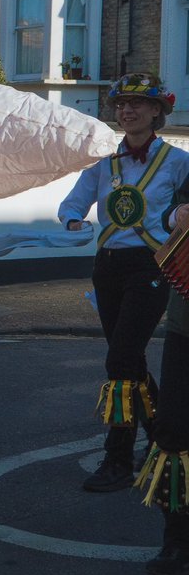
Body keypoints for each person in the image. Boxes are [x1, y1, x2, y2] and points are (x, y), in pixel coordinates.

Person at [58, 74, 189, 493]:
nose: (127, 110)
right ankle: (162, 435)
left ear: (157, 111)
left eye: (137, 103)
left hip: (151, 267)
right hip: (108, 267)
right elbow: (75, 200)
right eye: (121, 104)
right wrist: (72, 219)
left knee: (120, 361)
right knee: (128, 359)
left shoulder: (178, 161)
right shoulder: (105, 163)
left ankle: (117, 459)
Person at [136, 183, 189, 575]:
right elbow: (169, 212)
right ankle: (177, 542)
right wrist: (178, 215)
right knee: (172, 429)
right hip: (186, 325)